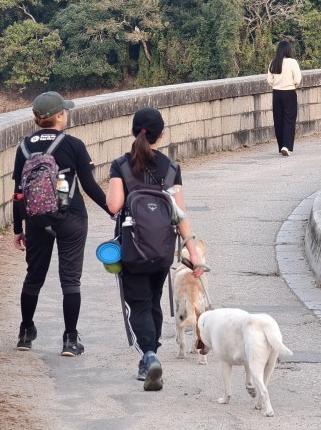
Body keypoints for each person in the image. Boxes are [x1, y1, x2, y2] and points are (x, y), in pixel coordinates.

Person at [106, 107, 206, 391]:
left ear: (132, 132)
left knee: (137, 304)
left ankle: (148, 355)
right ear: (161, 135)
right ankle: (152, 355)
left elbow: (113, 206)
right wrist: (193, 254)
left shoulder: (121, 166)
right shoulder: (171, 168)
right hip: (162, 250)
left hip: (132, 249)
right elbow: (180, 215)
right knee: (153, 300)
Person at [12, 91, 111, 357]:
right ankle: (69, 340)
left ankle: (25, 332)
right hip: (71, 217)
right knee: (70, 279)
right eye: (64, 111)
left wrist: (17, 228)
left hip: (36, 219)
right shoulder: (73, 144)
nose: (66, 114)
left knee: (34, 277)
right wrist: (112, 210)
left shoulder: (23, 147)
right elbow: (89, 185)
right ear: (58, 116)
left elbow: (19, 191)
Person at [267, 40, 302, 156]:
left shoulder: (274, 62)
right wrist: (292, 84)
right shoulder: (292, 62)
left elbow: (270, 80)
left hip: (276, 93)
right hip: (289, 92)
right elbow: (297, 79)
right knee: (289, 119)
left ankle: (281, 144)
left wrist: (277, 85)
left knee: (278, 120)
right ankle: (286, 145)